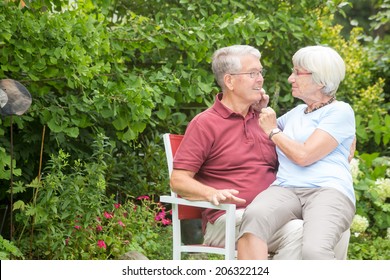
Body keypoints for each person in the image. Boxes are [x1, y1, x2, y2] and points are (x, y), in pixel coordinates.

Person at [170, 45, 349, 259]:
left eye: (260, 72)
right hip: (229, 218)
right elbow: (178, 180)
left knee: (334, 228)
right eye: (252, 73)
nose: (260, 79)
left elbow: (314, 133)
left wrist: (348, 137)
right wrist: (211, 193)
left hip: (279, 211)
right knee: (301, 233)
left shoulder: (265, 121)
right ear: (230, 81)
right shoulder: (206, 124)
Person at [237, 45, 356, 260]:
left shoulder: (340, 111)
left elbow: (304, 156)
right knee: (253, 219)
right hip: (286, 188)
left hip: (328, 190)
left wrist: (273, 130)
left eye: (297, 73)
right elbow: (260, 131)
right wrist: (259, 109)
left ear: (320, 80)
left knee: (314, 251)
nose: (291, 79)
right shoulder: (295, 114)